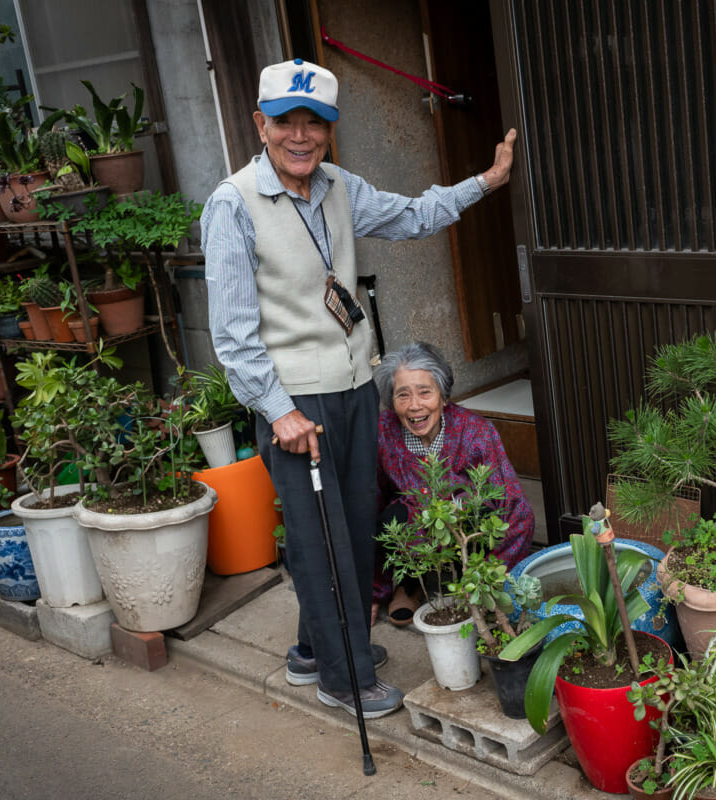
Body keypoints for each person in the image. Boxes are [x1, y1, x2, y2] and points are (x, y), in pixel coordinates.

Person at [200, 58, 517, 719]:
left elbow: (410, 214)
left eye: (314, 123)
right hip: (295, 405)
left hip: (351, 390)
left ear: (328, 132)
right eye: (286, 121)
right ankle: (342, 679)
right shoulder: (234, 204)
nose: (300, 135)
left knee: (354, 529)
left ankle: (314, 651)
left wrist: (484, 182)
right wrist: (279, 411)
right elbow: (231, 334)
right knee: (319, 541)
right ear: (261, 125)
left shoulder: (339, 186)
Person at [373, 342, 534, 625]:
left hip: (465, 522)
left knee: (505, 515)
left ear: (443, 397)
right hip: (416, 522)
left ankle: (479, 582)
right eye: (403, 395)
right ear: (391, 399)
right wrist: (374, 591)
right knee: (386, 516)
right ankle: (407, 585)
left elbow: (510, 502)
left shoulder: (475, 431)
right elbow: (372, 497)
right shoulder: (383, 432)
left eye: (425, 392)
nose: (415, 406)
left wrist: (491, 570)